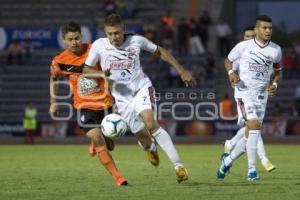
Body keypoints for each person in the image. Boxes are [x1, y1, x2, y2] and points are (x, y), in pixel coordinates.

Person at [83, 13, 196, 183]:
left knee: (151, 123)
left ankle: (178, 166)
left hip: (141, 88)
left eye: (117, 33)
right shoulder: (99, 45)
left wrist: (181, 71)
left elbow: (161, 52)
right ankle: (151, 148)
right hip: (122, 99)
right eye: (110, 34)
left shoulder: (136, 40)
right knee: (143, 137)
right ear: (105, 33)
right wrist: (101, 74)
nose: (114, 37)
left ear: (124, 30)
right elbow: (85, 70)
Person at [49, 22, 159, 186]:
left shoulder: (95, 49)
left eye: (77, 38)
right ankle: (118, 178)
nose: (74, 42)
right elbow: (54, 78)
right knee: (97, 137)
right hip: (84, 107)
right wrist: (53, 102)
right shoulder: (59, 61)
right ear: (64, 40)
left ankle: (143, 147)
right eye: (70, 39)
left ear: (81, 36)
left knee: (111, 144)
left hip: (106, 104)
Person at [217, 15, 282, 180]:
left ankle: (227, 161)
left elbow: (278, 72)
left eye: (270, 28)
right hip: (244, 92)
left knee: (250, 133)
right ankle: (252, 171)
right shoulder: (243, 46)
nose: (268, 31)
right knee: (253, 126)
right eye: (264, 28)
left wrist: (274, 85)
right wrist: (231, 73)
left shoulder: (276, 50)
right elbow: (227, 61)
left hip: (262, 95)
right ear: (256, 29)